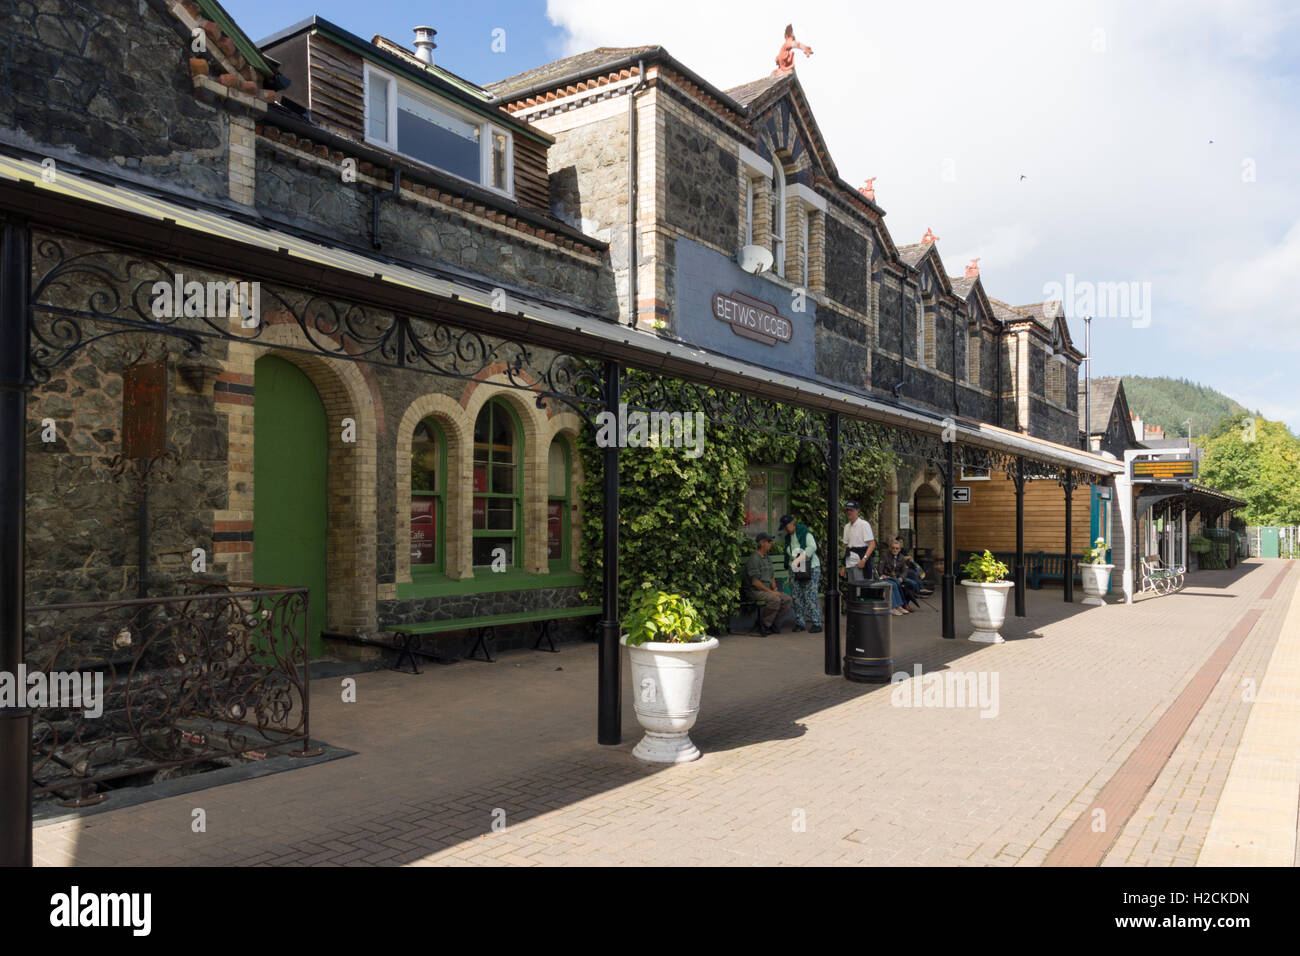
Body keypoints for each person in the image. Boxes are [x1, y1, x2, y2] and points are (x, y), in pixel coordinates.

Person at [779, 514, 822, 633]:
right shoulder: (788, 537)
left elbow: (812, 547)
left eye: (786, 526)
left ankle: (817, 623)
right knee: (796, 596)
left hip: (810, 567)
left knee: (809, 595)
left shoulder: (804, 532)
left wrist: (799, 559)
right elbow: (789, 554)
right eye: (784, 527)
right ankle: (800, 622)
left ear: (792, 523)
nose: (785, 529)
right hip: (795, 568)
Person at [746, 532, 793, 635]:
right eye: (769, 542)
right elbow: (755, 582)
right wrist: (771, 592)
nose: (770, 544)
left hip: (767, 590)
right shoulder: (754, 559)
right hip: (755, 591)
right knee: (775, 599)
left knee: (787, 599)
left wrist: (775, 589)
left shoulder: (767, 557)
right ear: (762, 543)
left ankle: (774, 625)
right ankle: (764, 625)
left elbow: (771, 575)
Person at [878, 538, 921, 611]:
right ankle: (904, 604)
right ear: (890, 548)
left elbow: (905, 570)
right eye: (893, 548)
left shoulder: (901, 557)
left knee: (913, 584)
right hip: (888, 577)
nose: (895, 550)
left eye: (897, 548)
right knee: (898, 584)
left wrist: (901, 577)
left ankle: (906, 602)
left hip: (898, 577)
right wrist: (884, 575)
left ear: (900, 549)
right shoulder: (885, 555)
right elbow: (880, 569)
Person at [840, 501, 875, 584]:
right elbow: (846, 546)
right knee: (852, 587)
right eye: (847, 510)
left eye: (851, 510)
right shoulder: (846, 527)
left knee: (860, 587)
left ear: (857, 511)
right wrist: (843, 566)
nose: (849, 512)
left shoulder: (864, 524)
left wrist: (864, 560)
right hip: (849, 561)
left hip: (860, 560)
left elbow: (872, 544)